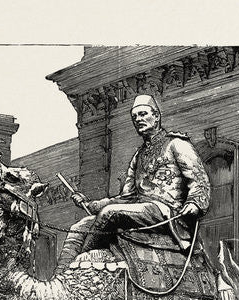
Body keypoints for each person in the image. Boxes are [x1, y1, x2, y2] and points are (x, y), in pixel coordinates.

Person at [60, 94, 211, 266]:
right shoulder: (138, 156)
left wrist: (194, 203)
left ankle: (81, 267)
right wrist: (90, 204)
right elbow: (126, 198)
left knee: (110, 214)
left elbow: (199, 180)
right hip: (140, 211)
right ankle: (62, 276)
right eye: (135, 117)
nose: (138, 119)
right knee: (80, 226)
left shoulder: (177, 144)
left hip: (168, 213)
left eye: (143, 114)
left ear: (156, 116)